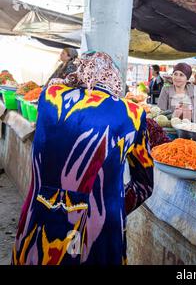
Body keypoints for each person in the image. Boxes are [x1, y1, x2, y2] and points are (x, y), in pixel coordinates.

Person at [12, 52, 154, 265]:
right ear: (114, 76)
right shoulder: (132, 113)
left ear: (79, 70)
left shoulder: (49, 96)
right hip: (99, 229)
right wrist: (111, 206)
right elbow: (144, 184)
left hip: (40, 218)